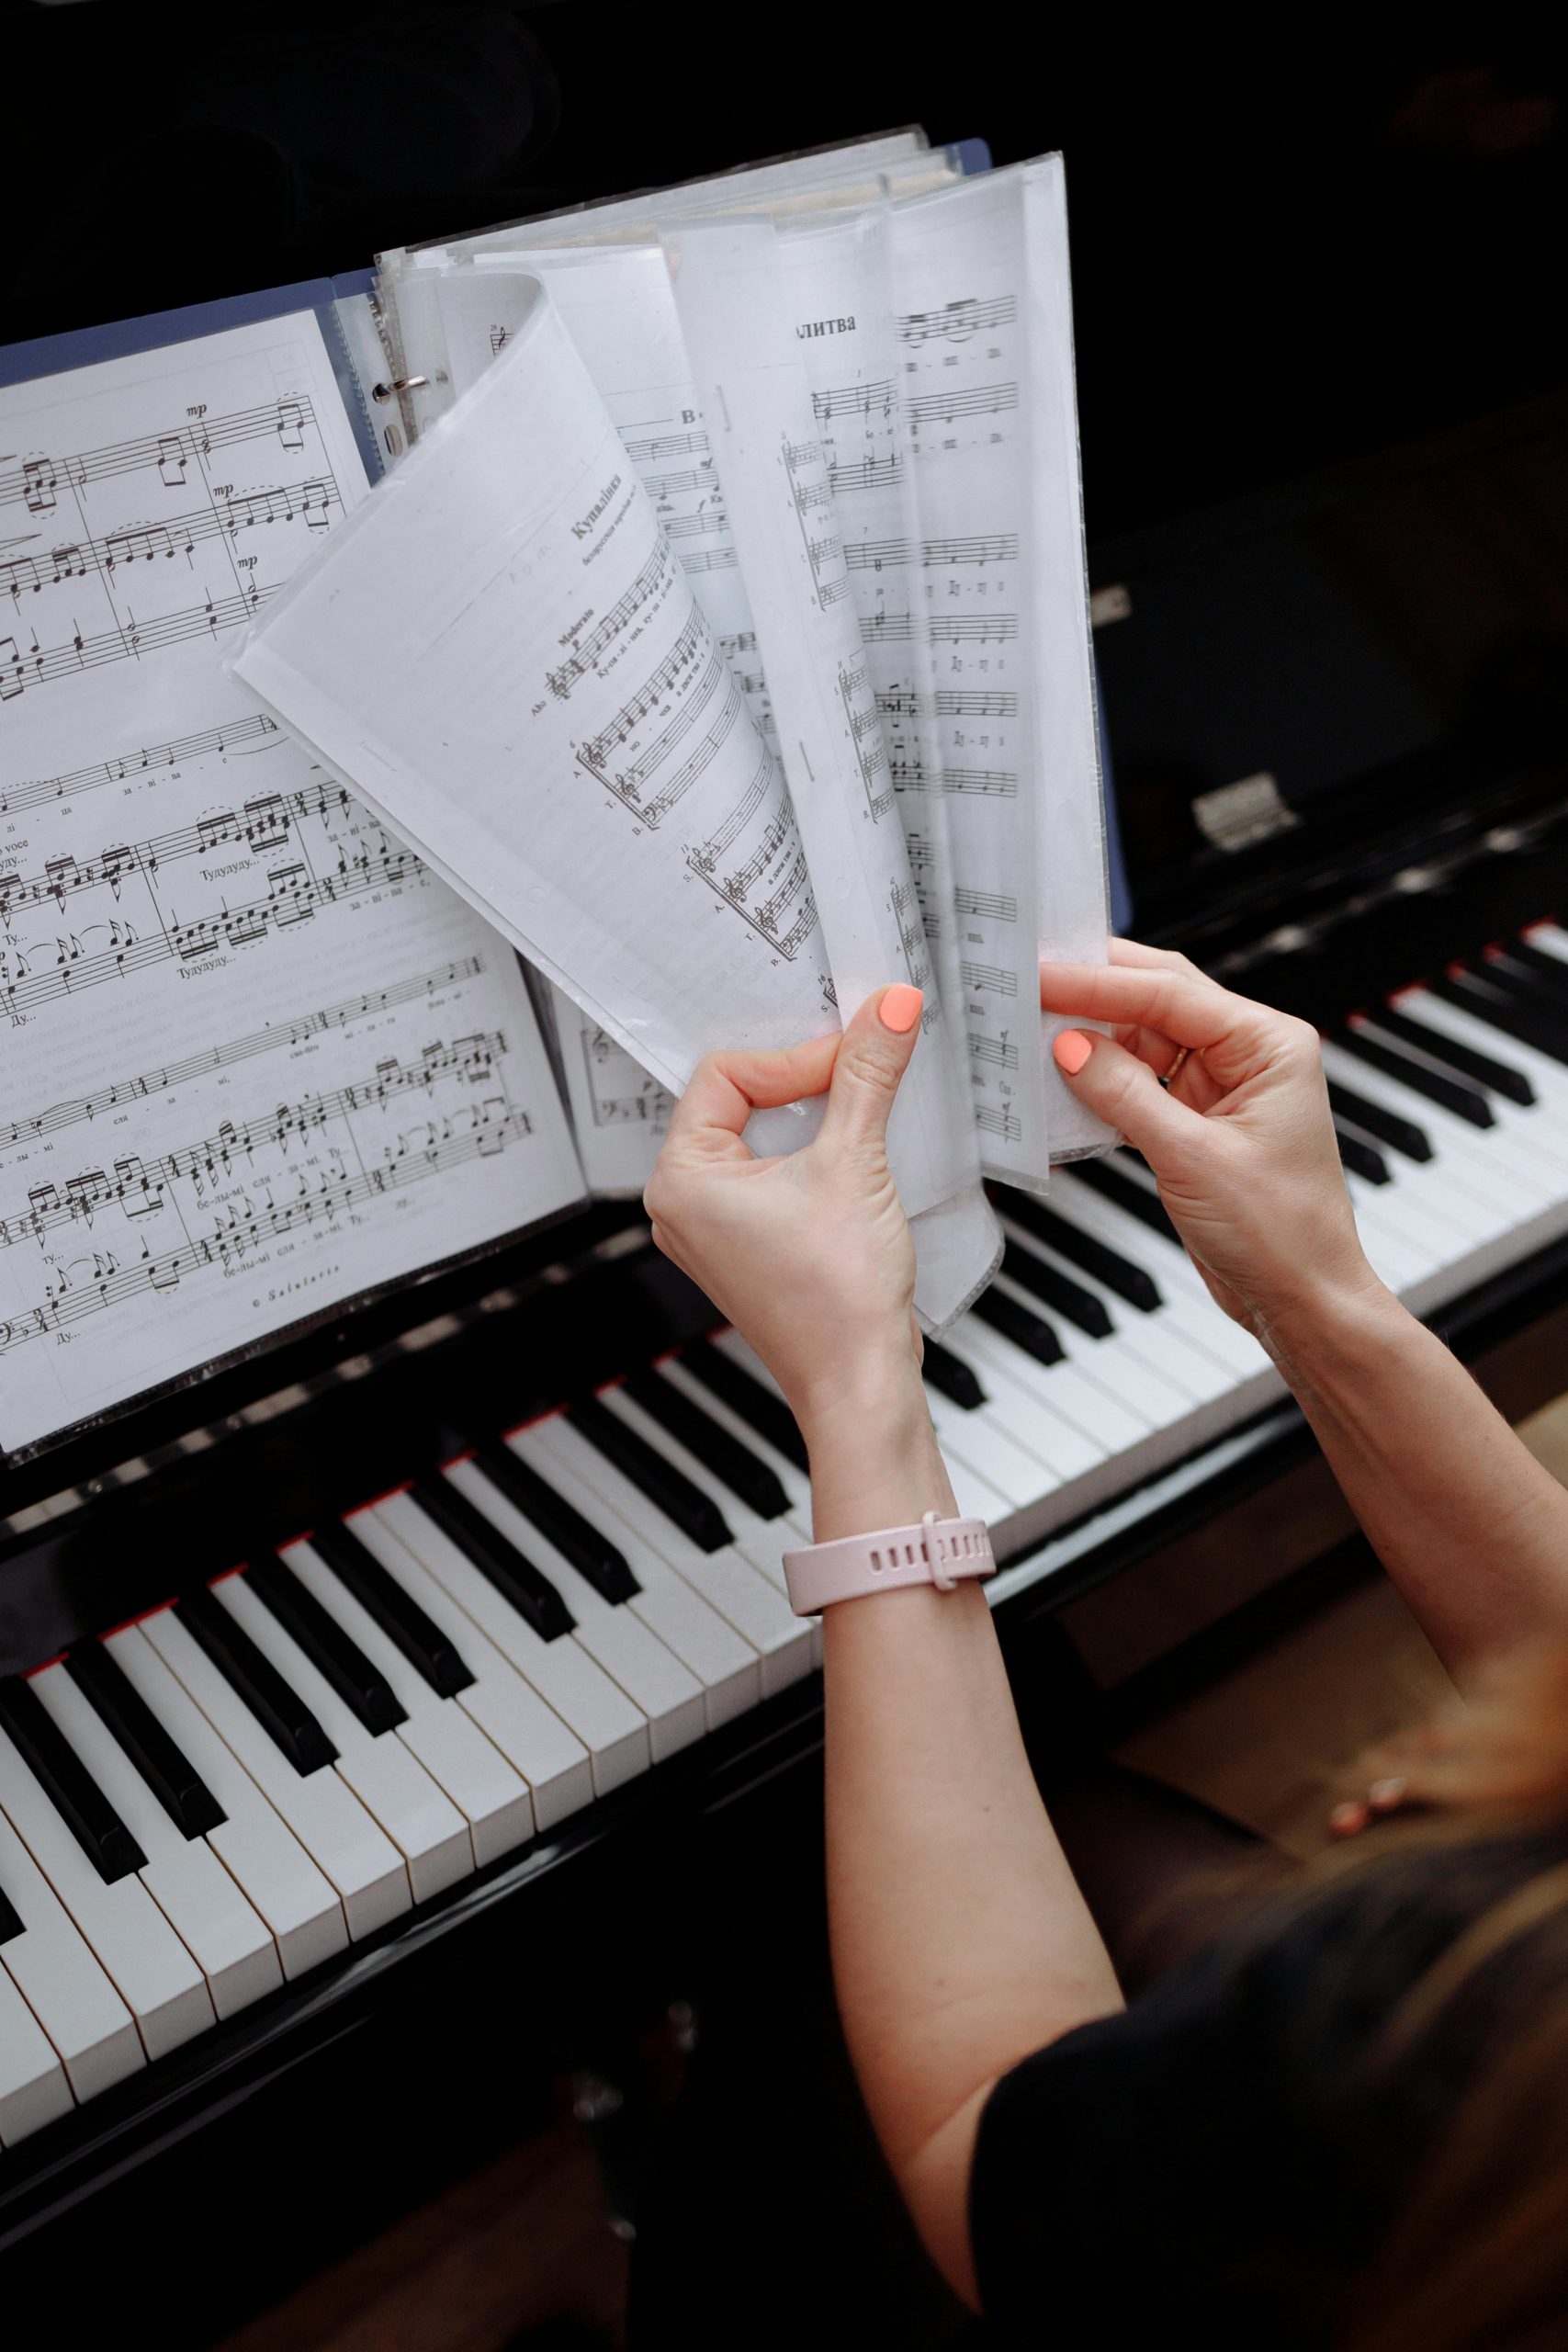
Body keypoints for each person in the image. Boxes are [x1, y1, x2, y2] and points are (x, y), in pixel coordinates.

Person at [637, 939, 1568, 2351]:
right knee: (1047, 1807)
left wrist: (856, 1381)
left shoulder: (1463, 2047)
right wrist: (1317, 1292)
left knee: (779, 1914)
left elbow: (980, 2143)